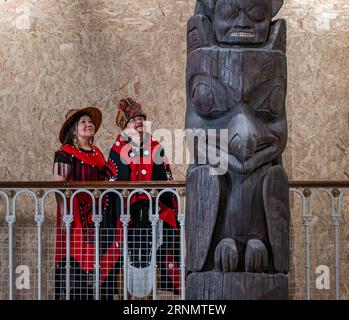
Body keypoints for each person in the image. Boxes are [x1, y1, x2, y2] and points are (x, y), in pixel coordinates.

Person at [105, 98, 181, 297]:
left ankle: (150, 295)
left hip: (153, 212)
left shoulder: (155, 147)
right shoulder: (116, 149)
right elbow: (112, 184)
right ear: (125, 125)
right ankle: (124, 295)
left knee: (153, 256)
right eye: (134, 120)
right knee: (125, 258)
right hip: (126, 215)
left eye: (141, 119)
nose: (139, 122)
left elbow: (165, 178)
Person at [53, 106, 116, 300]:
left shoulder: (97, 152)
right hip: (76, 216)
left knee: (101, 258)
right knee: (78, 258)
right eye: (83, 122)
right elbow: (58, 186)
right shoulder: (65, 152)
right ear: (74, 129)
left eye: (90, 122)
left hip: (99, 215)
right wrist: (65, 213)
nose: (88, 124)